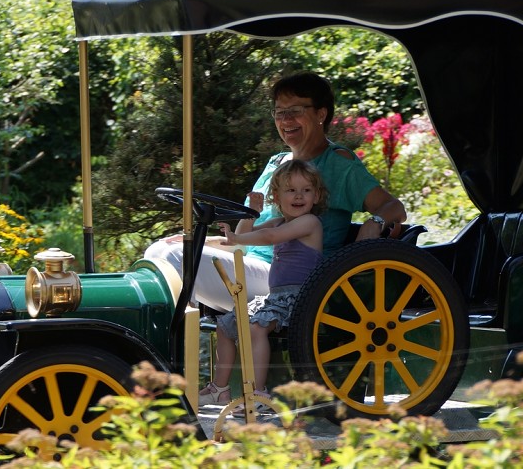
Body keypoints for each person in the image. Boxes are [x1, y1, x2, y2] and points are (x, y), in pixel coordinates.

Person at [144, 71, 407, 312]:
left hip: (295, 281)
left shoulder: (338, 163)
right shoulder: (277, 163)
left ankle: (182, 338)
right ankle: (187, 336)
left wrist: (374, 223)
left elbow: (395, 207)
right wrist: (206, 241)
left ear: (321, 114)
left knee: (173, 257)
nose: (285, 120)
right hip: (255, 266)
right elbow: (250, 235)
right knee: (162, 250)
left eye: (295, 111)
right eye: (279, 112)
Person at [197, 159, 327, 409]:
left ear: (317, 196)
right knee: (225, 326)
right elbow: (249, 234)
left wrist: (235, 236)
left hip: (301, 299)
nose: (299, 196)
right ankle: (219, 389)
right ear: (276, 197)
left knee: (256, 328)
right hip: (275, 298)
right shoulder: (279, 222)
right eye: (291, 190)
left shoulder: (310, 222)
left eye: (306, 190)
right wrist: (251, 213)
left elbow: (268, 237)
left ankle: (258, 394)